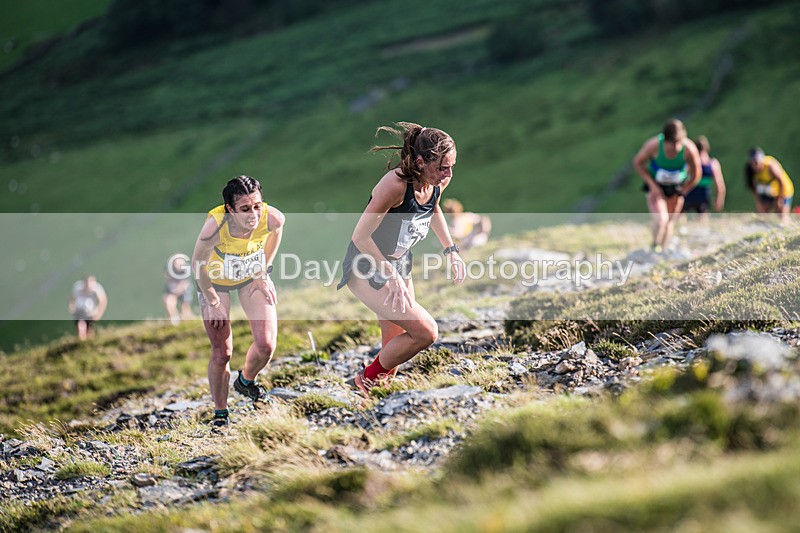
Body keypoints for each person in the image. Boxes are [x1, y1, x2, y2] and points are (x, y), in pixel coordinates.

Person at [336, 122, 466, 396]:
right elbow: (360, 236)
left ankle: (371, 397)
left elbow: (434, 208)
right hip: (367, 267)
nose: (448, 174)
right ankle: (363, 381)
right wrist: (390, 275)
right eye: (442, 167)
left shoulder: (437, 180)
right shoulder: (393, 186)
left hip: (399, 262)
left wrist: (451, 251)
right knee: (426, 332)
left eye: (451, 166)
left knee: (395, 343)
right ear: (420, 161)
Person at [191, 175, 285, 427]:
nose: (253, 214)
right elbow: (197, 265)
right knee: (222, 353)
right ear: (230, 210)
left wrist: (263, 270)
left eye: (257, 206)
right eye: (244, 209)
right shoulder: (215, 227)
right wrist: (212, 301)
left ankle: (246, 381)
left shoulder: (271, 217)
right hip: (214, 283)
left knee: (266, 345)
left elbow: (277, 232)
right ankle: (221, 414)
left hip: (250, 277)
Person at [633, 118, 701, 252]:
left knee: (670, 222)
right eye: (672, 143)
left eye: (678, 143)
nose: (676, 147)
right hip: (657, 187)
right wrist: (652, 185)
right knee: (661, 220)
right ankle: (655, 245)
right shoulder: (653, 145)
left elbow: (697, 175)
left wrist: (684, 190)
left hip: (676, 189)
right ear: (665, 140)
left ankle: (662, 252)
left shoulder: (689, 149)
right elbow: (638, 162)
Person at [681, 136, 725, 222]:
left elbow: (681, 177)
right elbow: (720, 185)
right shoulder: (712, 163)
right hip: (703, 196)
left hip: (689, 193)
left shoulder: (690, 162)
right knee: (702, 223)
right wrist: (719, 200)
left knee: (680, 220)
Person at [745, 147, 794, 225]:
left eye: (756, 162)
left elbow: (781, 181)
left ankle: (787, 228)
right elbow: (753, 187)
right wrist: (758, 202)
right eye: (752, 163)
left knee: (781, 214)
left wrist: (779, 199)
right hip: (770, 191)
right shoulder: (750, 170)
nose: (755, 166)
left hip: (783, 189)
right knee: (762, 212)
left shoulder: (770, 166)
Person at [67, 275, 108, 341]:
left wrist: (99, 314)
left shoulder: (97, 289)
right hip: (79, 311)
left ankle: (89, 343)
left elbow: (102, 301)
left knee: (90, 330)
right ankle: (81, 342)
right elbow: (72, 298)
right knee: (81, 326)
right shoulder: (78, 287)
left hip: (91, 312)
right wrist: (71, 306)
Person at [163, 254, 194, 325]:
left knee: (185, 308)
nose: (178, 264)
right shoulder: (169, 269)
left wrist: (178, 291)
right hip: (172, 290)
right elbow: (168, 280)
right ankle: (174, 321)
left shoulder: (186, 270)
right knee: (168, 301)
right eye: (176, 262)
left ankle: (187, 324)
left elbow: (184, 284)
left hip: (184, 290)